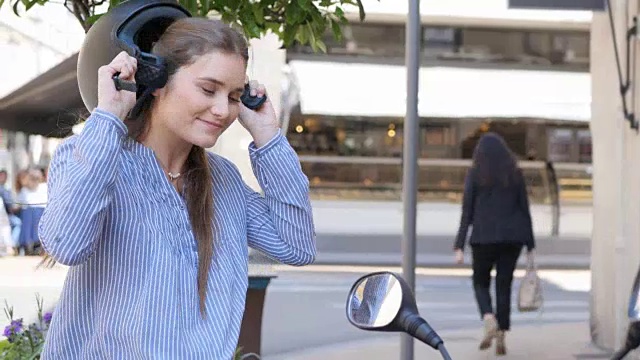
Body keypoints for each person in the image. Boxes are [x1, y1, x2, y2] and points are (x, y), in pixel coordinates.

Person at [38, 17, 316, 359]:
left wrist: (268, 135)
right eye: (207, 88)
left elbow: (296, 246)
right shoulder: (87, 157)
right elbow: (67, 244)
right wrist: (109, 116)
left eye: (234, 96)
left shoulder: (223, 180)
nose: (221, 110)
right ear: (155, 80)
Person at [452, 132, 535, 356]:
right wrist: (530, 244)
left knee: (480, 281)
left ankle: (488, 317)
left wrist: (459, 245)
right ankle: (502, 334)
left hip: (483, 237)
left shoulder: (475, 174)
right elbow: (524, 209)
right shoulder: (515, 173)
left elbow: (467, 211)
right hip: (512, 239)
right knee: (504, 284)